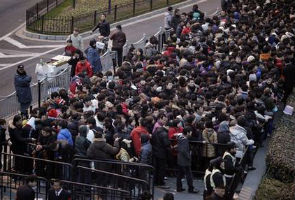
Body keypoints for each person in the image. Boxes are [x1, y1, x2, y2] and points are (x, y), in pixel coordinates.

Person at [176, 127, 199, 193]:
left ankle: (179, 187)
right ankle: (191, 188)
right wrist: (188, 157)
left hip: (180, 158)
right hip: (185, 160)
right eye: (190, 132)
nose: (191, 133)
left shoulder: (180, 137)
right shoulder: (185, 140)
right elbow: (183, 150)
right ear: (188, 132)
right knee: (189, 175)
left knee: (180, 174)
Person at [151, 116, 170, 188]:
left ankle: (156, 182)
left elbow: (152, 140)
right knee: (161, 168)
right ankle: (160, 182)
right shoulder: (164, 133)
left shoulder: (156, 131)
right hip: (161, 153)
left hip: (155, 151)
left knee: (156, 168)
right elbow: (166, 144)